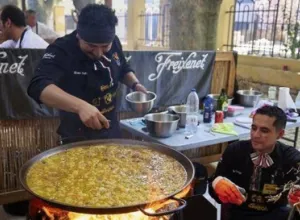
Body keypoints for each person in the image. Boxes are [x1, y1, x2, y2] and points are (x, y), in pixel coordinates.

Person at [27, 4, 147, 143]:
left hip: (111, 130)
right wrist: (81, 107)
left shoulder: (114, 42)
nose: (98, 53)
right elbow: (38, 85)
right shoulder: (61, 49)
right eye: (91, 46)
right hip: (76, 136)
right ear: (79, 35)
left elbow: (123, 67)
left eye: (105, 46)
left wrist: (135, 84)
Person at [210, 105, 300, 220]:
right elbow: (213, 188)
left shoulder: (291, 159)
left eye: (264, 130)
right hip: (237, 215)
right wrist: (216, 184)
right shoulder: (235, 151)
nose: (255, 135)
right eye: (253, 128)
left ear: (280, 134)